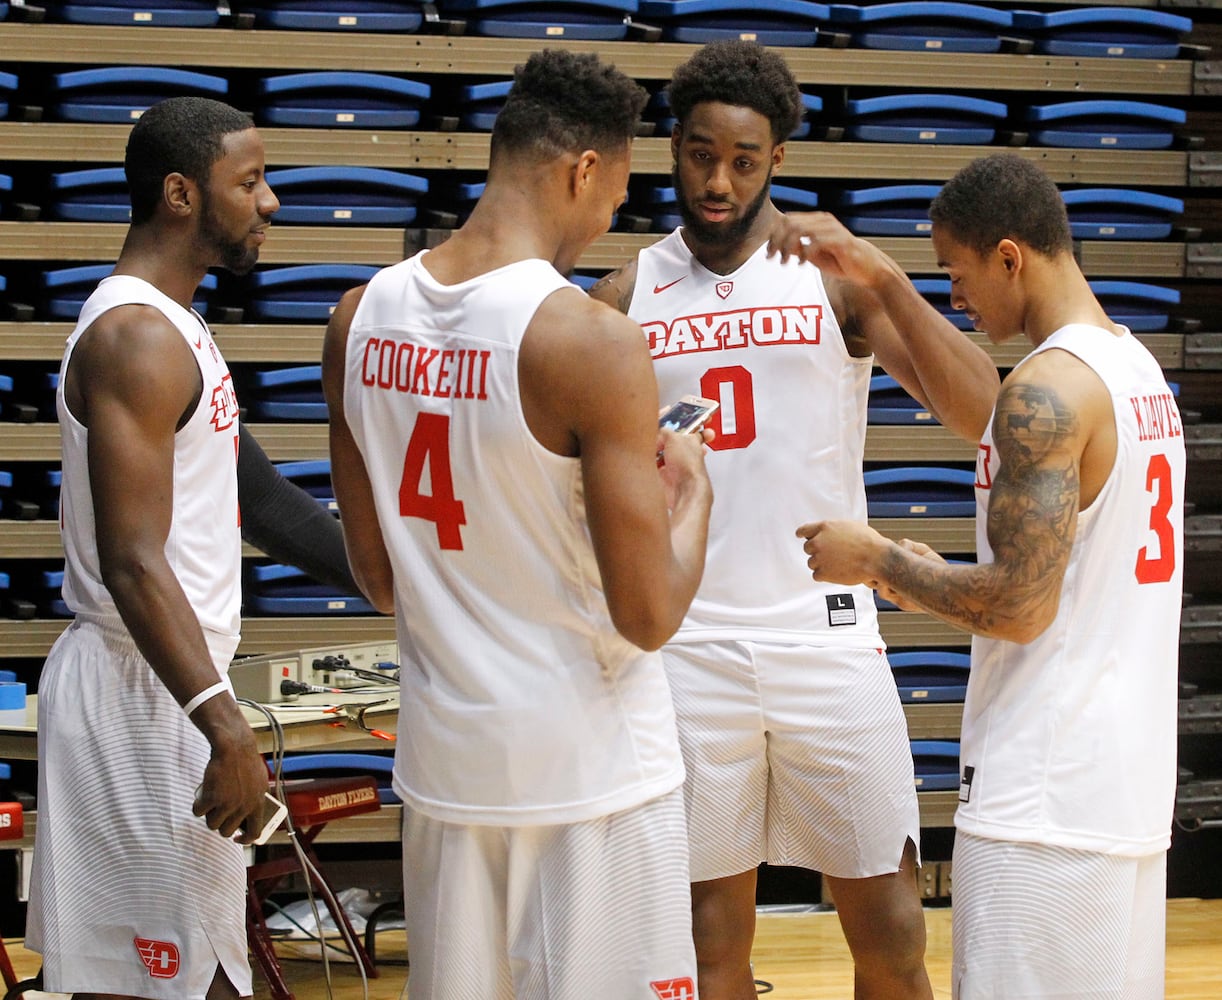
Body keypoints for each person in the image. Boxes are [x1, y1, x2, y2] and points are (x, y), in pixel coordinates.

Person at [590, 40, 1000, 1000]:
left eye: (743, 160)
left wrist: (886, 276)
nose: (719, 181)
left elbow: (987, 412)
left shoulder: (835, 278)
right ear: (674, 151)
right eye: (700, 155)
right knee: (705, 941)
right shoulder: (623, 294)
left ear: (777, 159)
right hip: (690, 646)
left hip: (828, 641)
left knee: (893, 930)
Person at [322, 49, 714, 999]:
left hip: (449, 772)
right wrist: (695, 495)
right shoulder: (588, 339)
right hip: (591, 776)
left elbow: (377, 577)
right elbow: (650, 614)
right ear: (583, 170)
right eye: (613, 198)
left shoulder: (353, 320)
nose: (607, 221)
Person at [799, 152, 1184, 999]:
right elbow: (1071, 573)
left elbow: (1019, 606)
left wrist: (882, 563)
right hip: (1125, 792)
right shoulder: (1137, 371)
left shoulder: (1044, 390)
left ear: (1010, 256)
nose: (957, 299)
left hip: (1042, 799)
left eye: (960, 273)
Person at [25, 96, 295, 1000]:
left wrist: (406, 585)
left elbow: (261, 498)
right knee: (168, 987)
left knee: (197, 979)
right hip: (145, 695)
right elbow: (133, 558)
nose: (272, 202)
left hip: (171, 685)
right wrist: (223, 723)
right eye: (249, 181)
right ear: (181, 194)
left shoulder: (177, 325)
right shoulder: (136, 336)